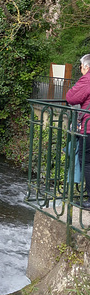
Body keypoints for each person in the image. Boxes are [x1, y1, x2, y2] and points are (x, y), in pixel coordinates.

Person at [66, 54, 90, 209]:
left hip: (88, 128)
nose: (81, 70)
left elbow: (71, 97)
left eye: (81, 67)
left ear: (86, 66)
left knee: (87, 162)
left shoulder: (87, 79)